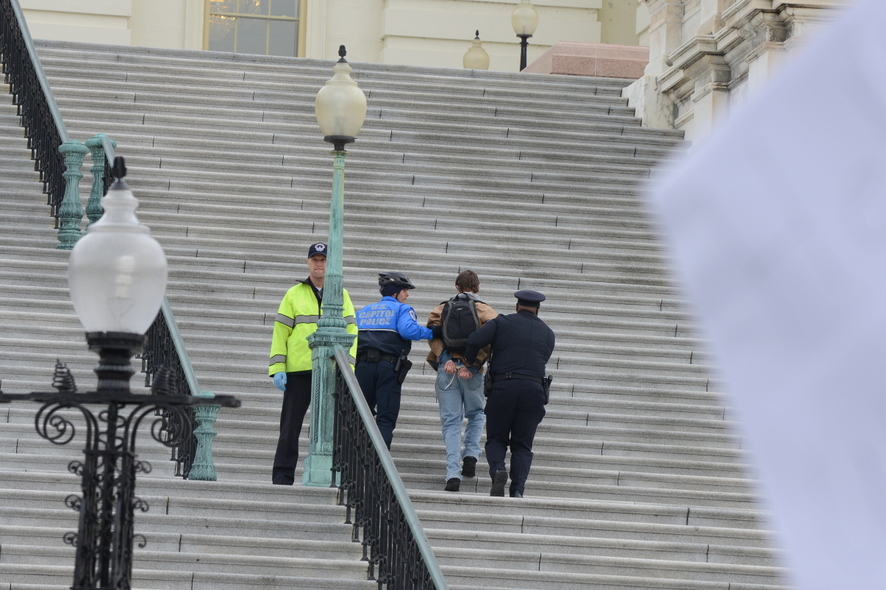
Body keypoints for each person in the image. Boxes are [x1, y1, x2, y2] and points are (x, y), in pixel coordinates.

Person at [268, 242, 358, 485]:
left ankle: (332, 476)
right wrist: (278, 368)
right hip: (299, 370)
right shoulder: (293, 293)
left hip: (331, 370)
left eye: (324, 259)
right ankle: (282, 477)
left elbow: (352, 331)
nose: (319, 264)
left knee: (334, 429)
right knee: (289, 429)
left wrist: (348, 366)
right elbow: (281, 332)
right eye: (315, 259)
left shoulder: (342, 294)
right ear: (308, 262)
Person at [464, 289, 555, 498]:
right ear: (538, 309)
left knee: (496, 438)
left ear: (517, 306)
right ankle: (518, 490)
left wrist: (471, 361)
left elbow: (474, 339)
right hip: (534, 390)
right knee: (523, 444)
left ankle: (498, 470)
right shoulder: (548, 333)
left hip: (504, 387)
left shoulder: (501, 323)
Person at [426, 270, 497, 492]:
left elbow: (432, 334)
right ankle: (471, 456)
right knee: (476, 414)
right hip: (472, 372)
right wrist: (473, 364)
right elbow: (492, 338)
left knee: (451, 422)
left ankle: (452, 474)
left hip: (447, 371)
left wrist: (445, 358)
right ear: (478, 288)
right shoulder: (485, 310)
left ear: (457, 287)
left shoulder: (442, 308)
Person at [356, 271, 440, 449]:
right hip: (388, 367)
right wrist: (432, 332)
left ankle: (356, 458)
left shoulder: (364, 311)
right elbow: (408, 331)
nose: (407, 295)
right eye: (405, 290)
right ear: (395, 292)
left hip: (362, 367)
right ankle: (378, 465)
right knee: (385, 418)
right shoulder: (403, 309)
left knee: (361, 415)